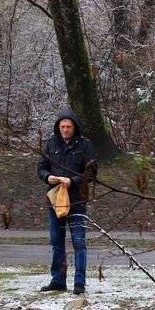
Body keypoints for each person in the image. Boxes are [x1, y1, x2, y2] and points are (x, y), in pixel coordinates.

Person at [37, 109, 97, 295]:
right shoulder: (50, 144)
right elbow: (41, 167)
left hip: (77, 200)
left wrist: (73, 181)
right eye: (62, 126)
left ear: (74, 127)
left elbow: (92, 172)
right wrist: (48, 177)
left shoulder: (85, 145)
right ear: (58, 127)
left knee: (79, 242)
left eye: (68, 127)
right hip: (55, 200)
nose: (65, 130)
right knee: (57, 242)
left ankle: (80, 282)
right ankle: (58, 280)